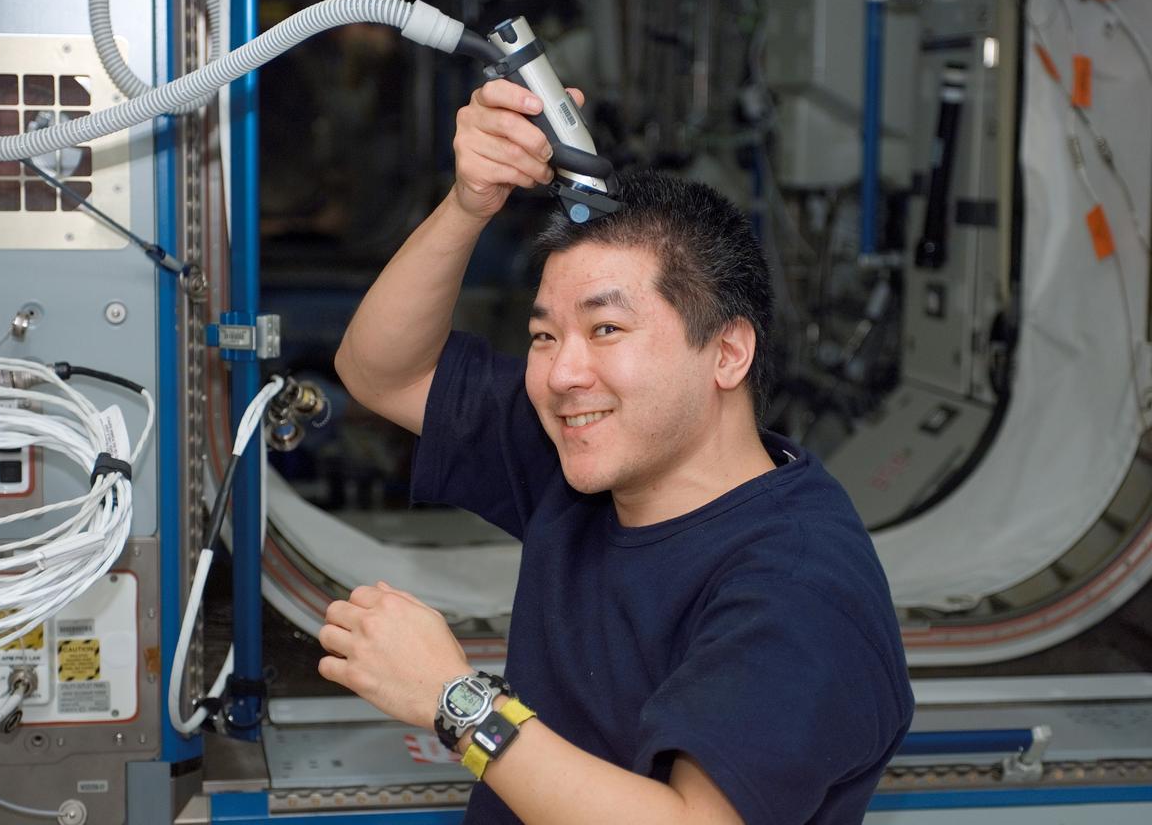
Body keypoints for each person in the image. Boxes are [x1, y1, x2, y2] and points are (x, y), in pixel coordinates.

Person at [320, 78, 914, 825]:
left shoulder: (799, 583)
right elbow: (382, 371)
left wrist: (458, 702)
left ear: (727, 352)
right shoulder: (584, 456)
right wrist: (470, 202)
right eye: (544, 335)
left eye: (605, 330)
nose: (563, 373)